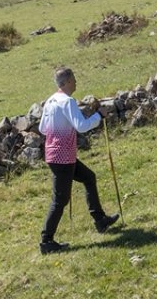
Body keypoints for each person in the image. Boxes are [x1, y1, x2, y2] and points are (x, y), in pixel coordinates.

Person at [38, 67, 121, 254]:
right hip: (63, 158)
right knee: (60, 200)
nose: (76, 82)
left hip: (55, 155)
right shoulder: (67, 102)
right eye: (74, 79)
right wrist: (99, 115)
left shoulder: (51, 101)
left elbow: (43, 128)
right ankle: (46, 241)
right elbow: (82, 126)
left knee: (89, 177)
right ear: (66, 82)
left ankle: (100, 220)